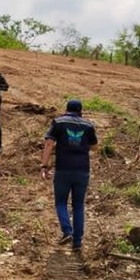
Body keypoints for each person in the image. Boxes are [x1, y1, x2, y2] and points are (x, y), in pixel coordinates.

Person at [40, 100, 98, 252]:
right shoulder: (88, 125)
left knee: (61, 202)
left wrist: (44, 165)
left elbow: (48, 144)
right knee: (78, 205)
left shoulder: (58, 123)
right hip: (82, 170)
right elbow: (95, 147)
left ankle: (67, 231)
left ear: (66, 109)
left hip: (63, 169)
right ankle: (77, 242)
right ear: (81, 111)